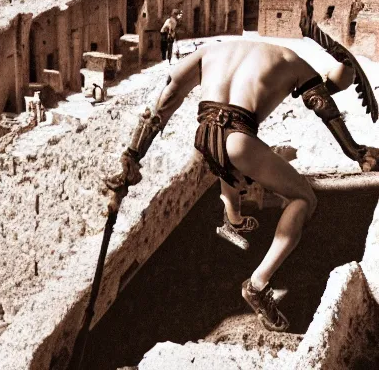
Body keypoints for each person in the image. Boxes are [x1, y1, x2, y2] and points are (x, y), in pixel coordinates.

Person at [106, 38, 379, 332]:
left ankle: (233, 219)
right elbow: (324, 105)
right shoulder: (293, 60)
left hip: (204, 135)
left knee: (229, 165)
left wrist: (132, 158)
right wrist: (356, 152)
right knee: (304, 199)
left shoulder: (210, 50)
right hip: (238, 139)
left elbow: (165, 98)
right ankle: (258, 285)